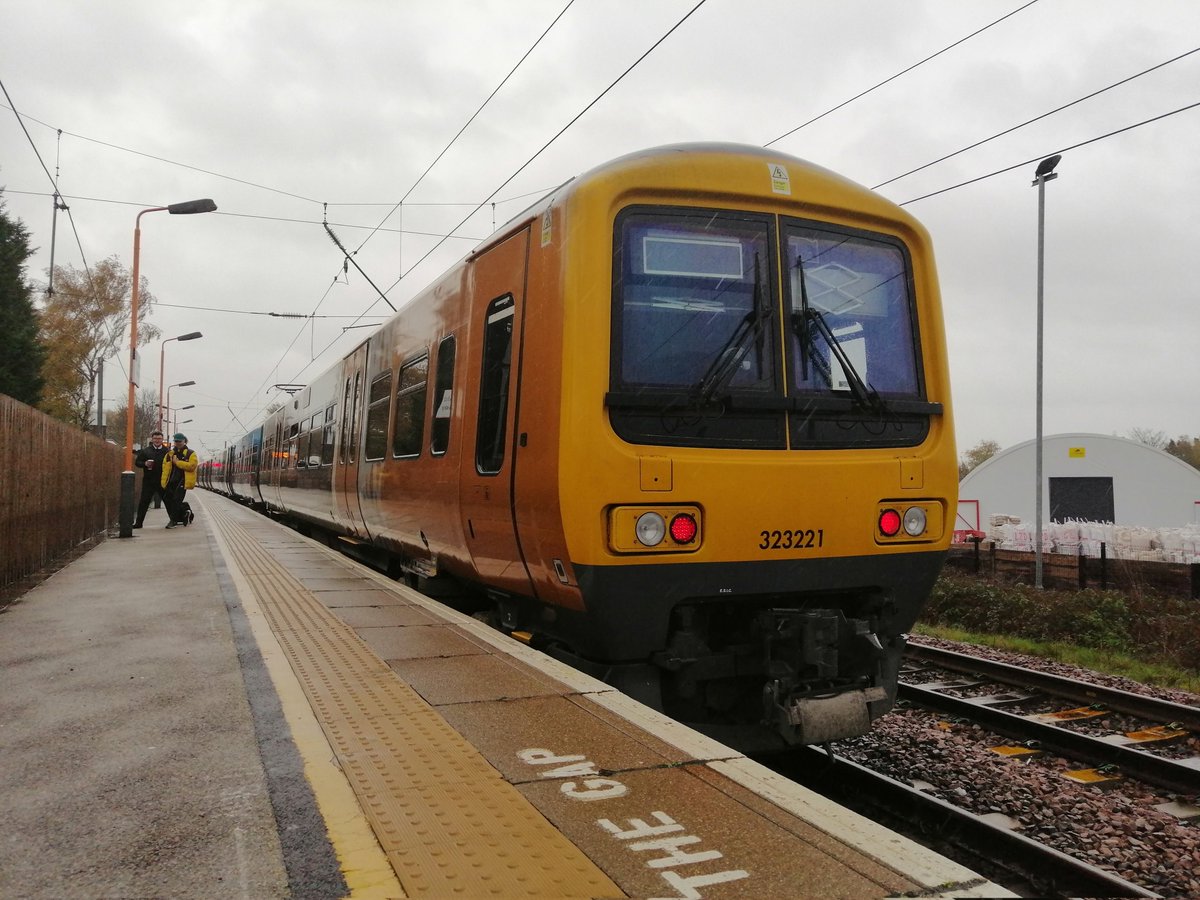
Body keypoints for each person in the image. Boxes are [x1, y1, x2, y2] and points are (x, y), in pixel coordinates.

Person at [161, 433, 199, 529]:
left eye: (180, 441)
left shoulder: (191, 453)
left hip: (183, 480)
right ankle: (185, 511)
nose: (177, 443)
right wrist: (164, 480)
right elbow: (165, 466)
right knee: (167, 498)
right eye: (176, 441)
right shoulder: (170, 454)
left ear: (184, 441)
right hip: (171, 480)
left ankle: (173, 521)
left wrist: (177, 463)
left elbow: (192, 466)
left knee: (176, 500)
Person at [132, 431, 168, 528]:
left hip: (163, 481)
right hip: (149, 481)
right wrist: (145, 463)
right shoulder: (146, 451)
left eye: (159, 439)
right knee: (144, 502)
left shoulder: (167, 451)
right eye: (155, 438)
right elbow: (137, 462)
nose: (157, 440)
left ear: (162, 440)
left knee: (168, 501)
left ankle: (173, 520)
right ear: (152, 439)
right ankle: (138, 523)